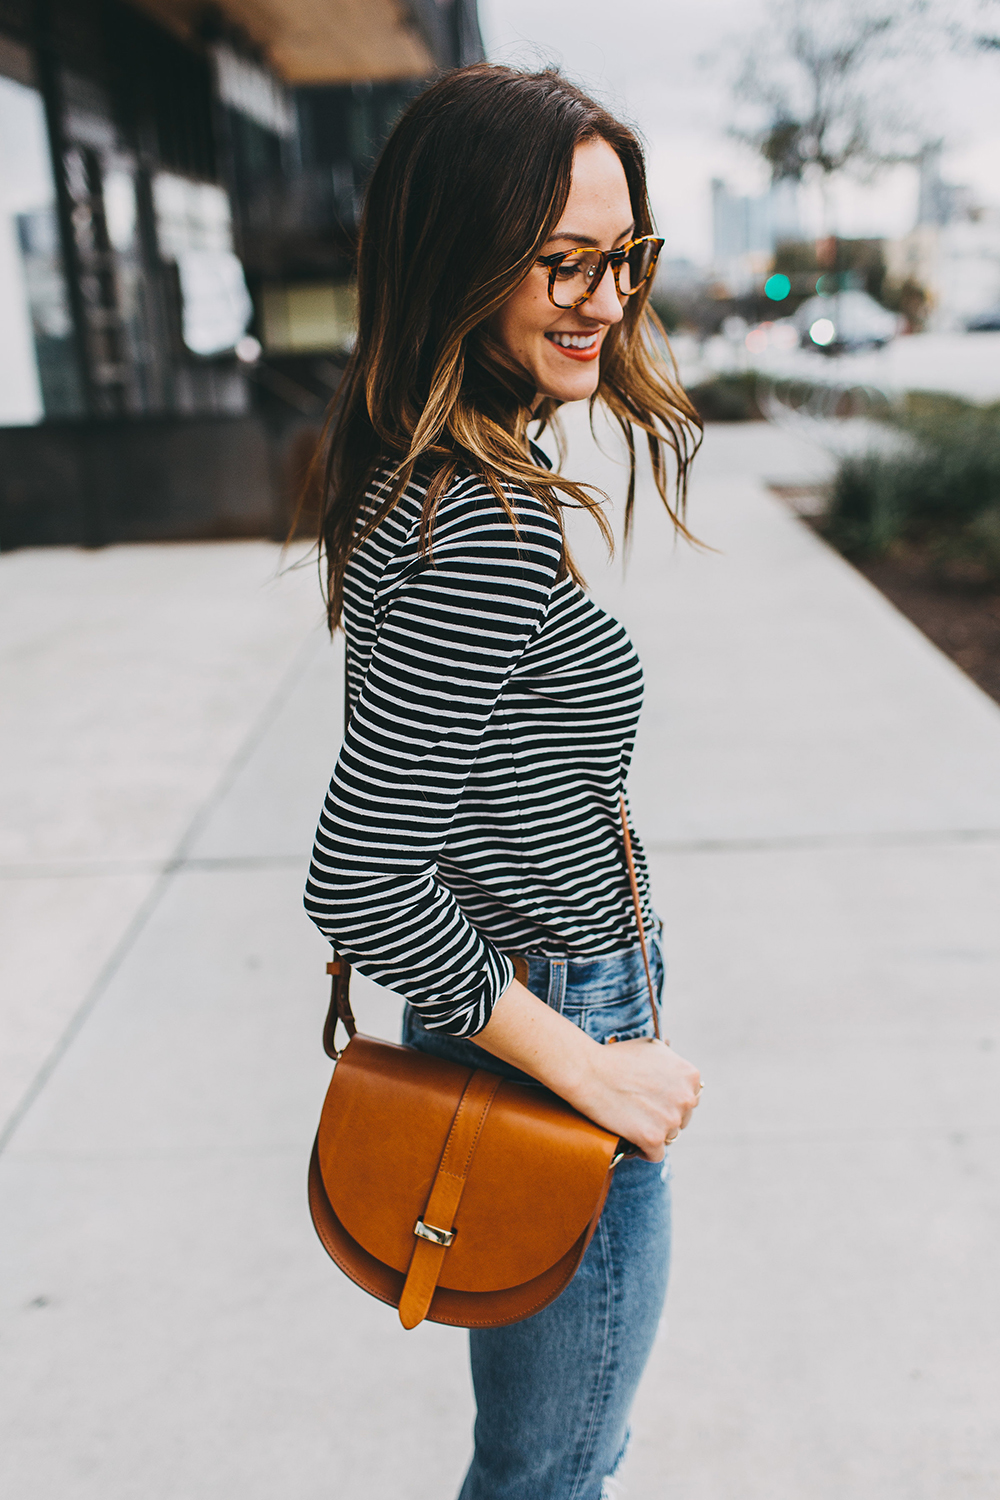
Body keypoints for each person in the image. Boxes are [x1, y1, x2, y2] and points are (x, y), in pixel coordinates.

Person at [304, 63, 703, 1500]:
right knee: (553, 1474)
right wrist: (594, 1067)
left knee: (551, 1465)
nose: (605, 299)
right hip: (553, 1030)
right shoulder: (478, 527)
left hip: (546, 1008)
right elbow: (358, 873)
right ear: (462, 258)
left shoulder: (438, 478)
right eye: (563, 261)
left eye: (622, 258)